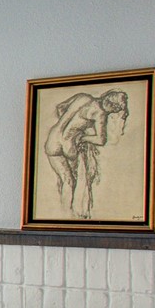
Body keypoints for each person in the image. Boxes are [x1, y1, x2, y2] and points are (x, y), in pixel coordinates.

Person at [43, 89, 130, 219]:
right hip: (69, 145)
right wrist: (82, 137)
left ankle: (59, 215)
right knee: (69, 182)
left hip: (53, 139)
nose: (113, 113)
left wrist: (66, 127)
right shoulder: (100, 114)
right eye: (115, 110)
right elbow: (101, 140)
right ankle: (66, 216)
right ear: (112, 105)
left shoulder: (82, 97)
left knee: (63, 180)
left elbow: (60, 108)